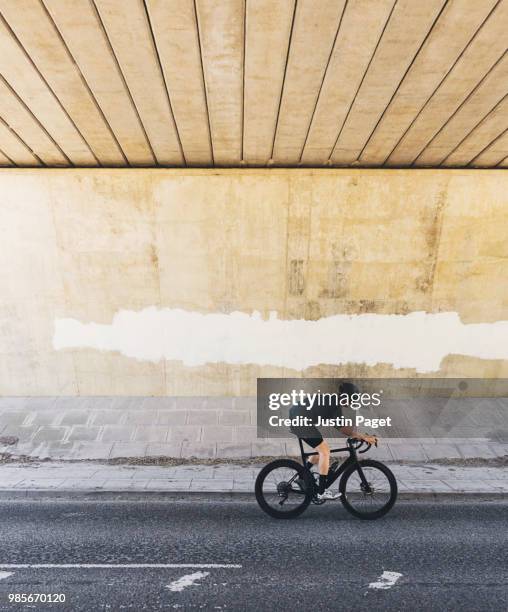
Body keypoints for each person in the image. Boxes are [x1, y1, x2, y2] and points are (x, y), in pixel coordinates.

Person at [289, 382, 378, 501]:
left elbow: (344, 426)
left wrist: (358, 434)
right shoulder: (334, 403)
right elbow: (344, 429)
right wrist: (363, 437)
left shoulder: (333, 401)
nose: (351, 403)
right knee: (324, 451)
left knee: (320, 450)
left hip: (299, 418)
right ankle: (321, 491)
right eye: (351, 400)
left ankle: (302, 477)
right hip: (300, 420)